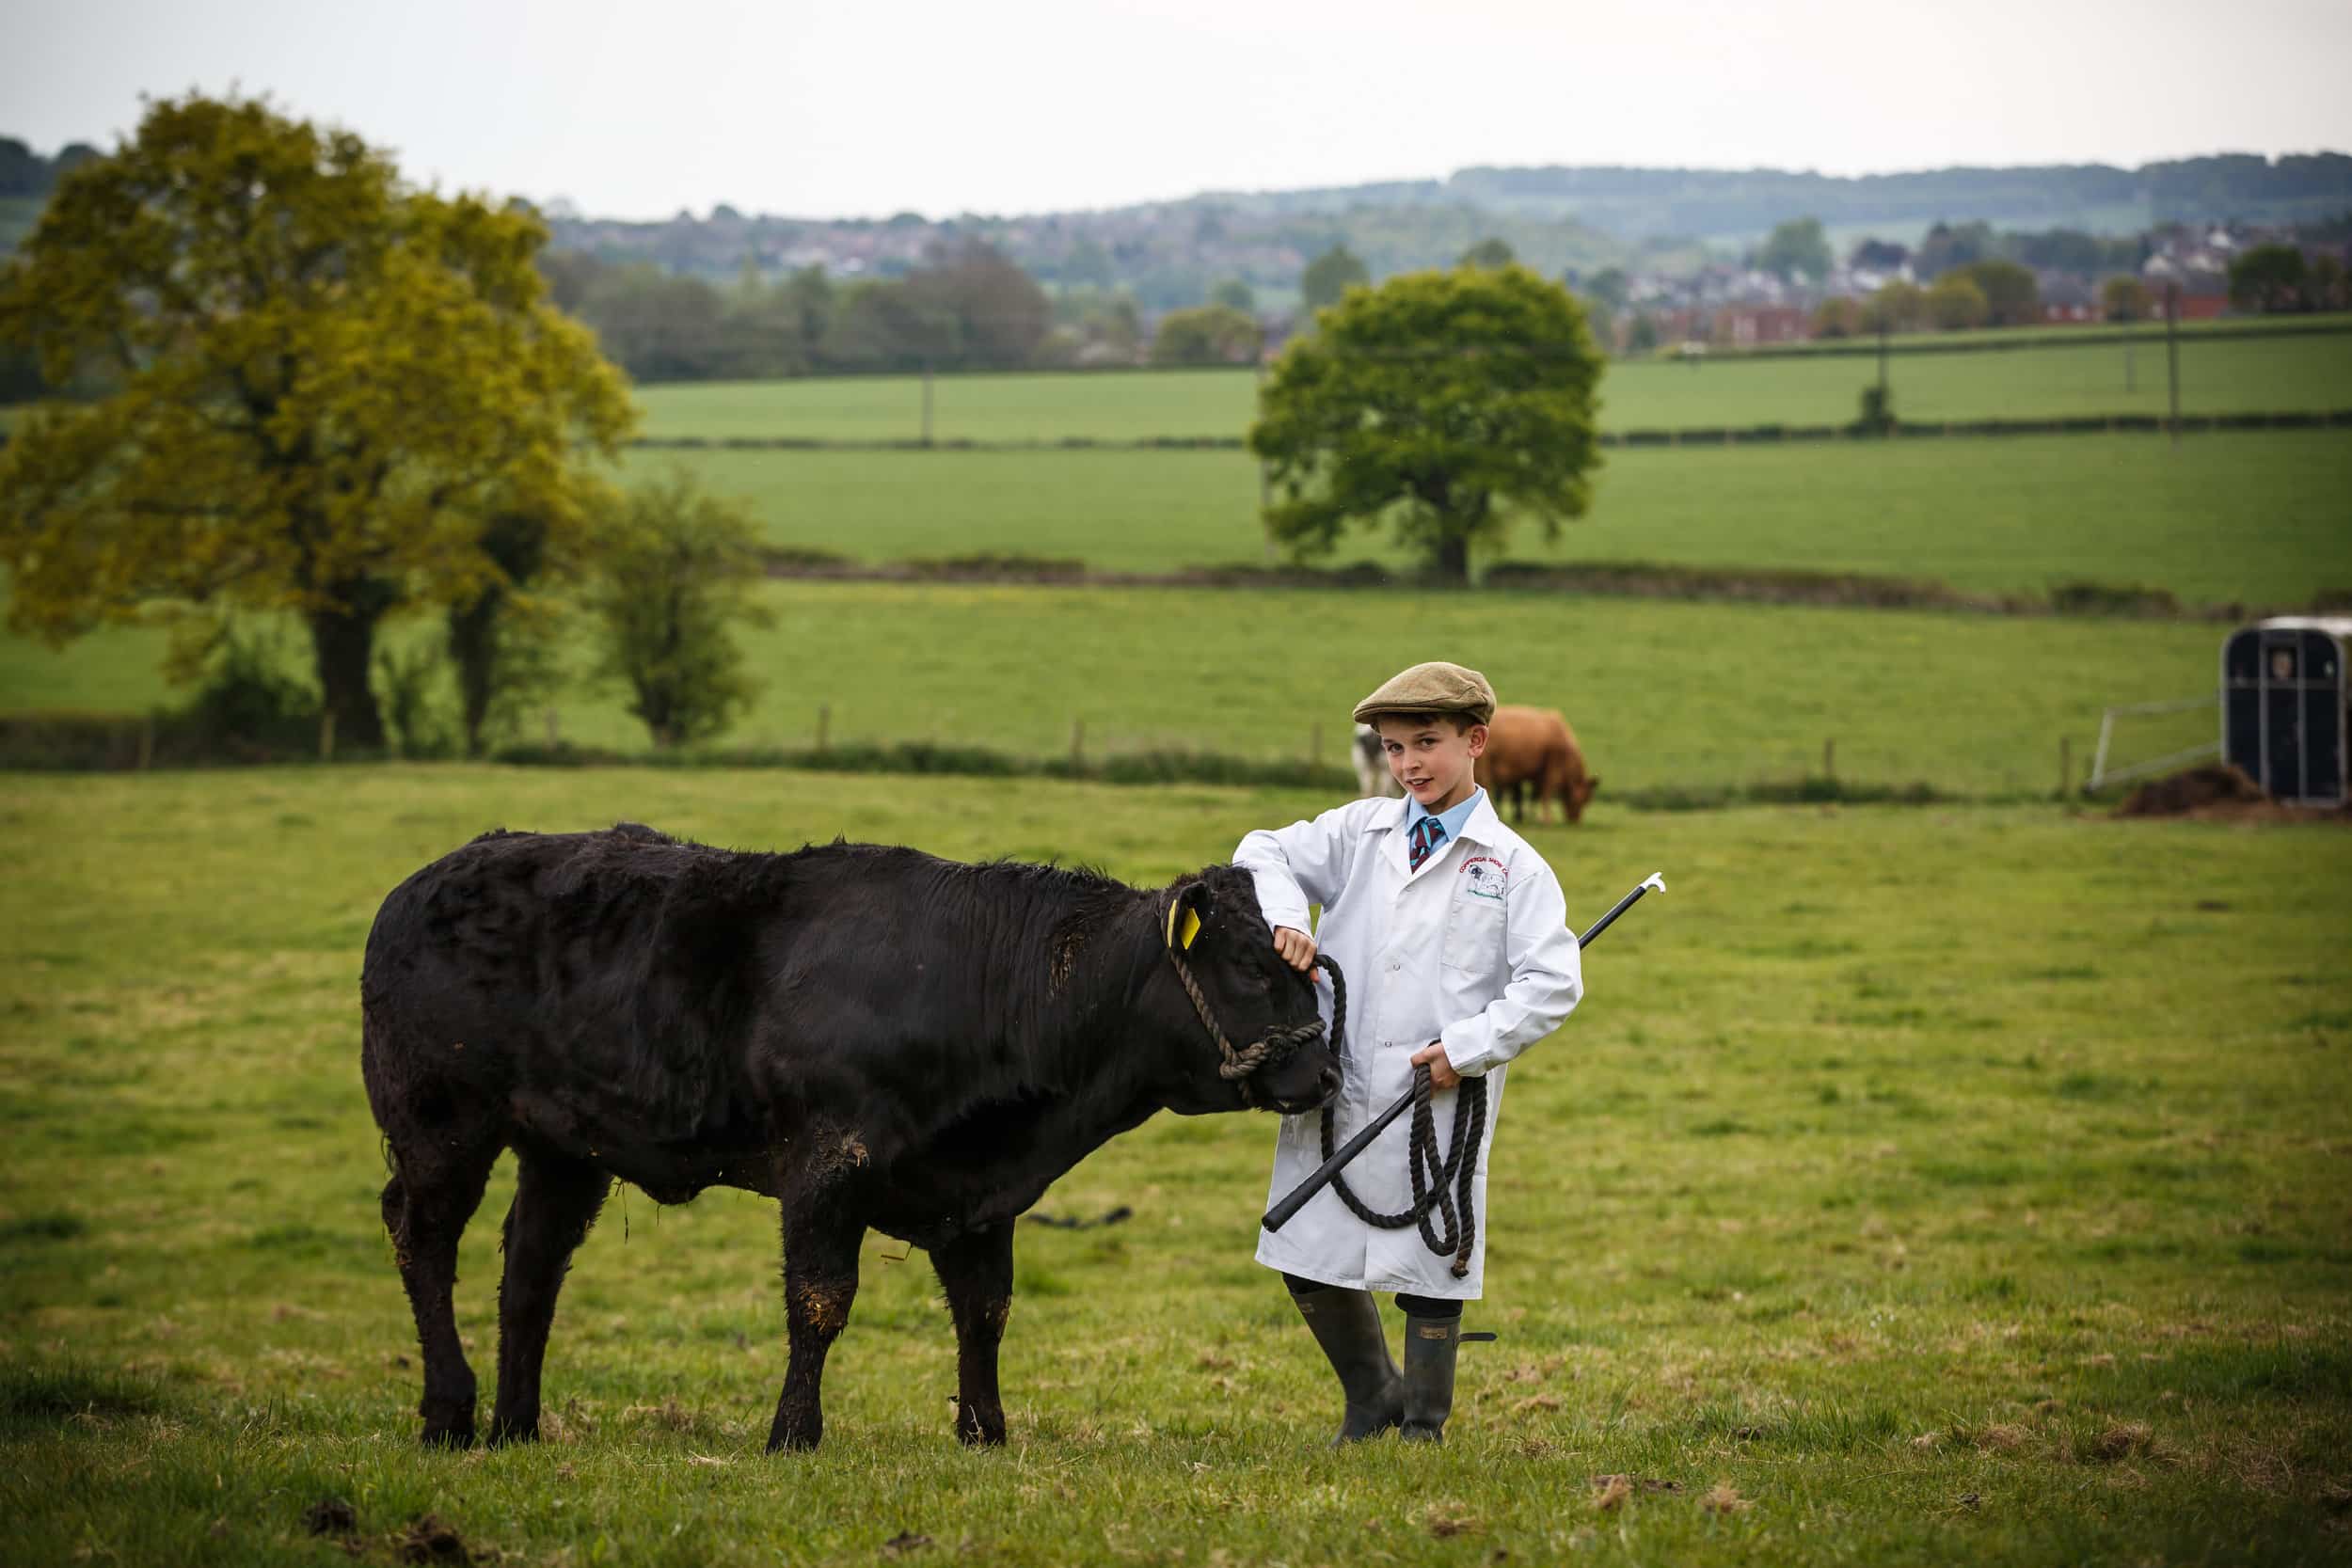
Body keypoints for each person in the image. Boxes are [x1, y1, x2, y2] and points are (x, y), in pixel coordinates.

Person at [1233, 660, 1583, 1445]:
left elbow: (1554, 982)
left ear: (1476, 740)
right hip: (1342, 1083)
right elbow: (1262, 848)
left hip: (1441, 1095)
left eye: (1426, 742)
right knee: (1305, 1242)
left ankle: (1425, 1426)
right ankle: (1372, 1398)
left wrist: (1469, 1046)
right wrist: (1288, 917)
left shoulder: (1514, 866)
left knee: (1434, 1257)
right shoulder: (1359, 832)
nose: (1408, 764)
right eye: (1394, 748)